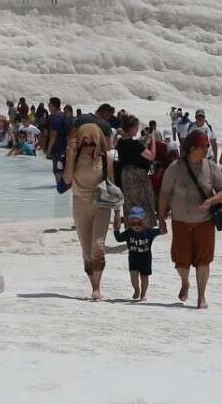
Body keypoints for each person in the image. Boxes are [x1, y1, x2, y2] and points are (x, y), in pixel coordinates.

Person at [159, 130, 222, 307]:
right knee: (181, 261)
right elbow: (164, 193)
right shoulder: (175, 168)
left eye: (206, 146)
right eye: (202, 147)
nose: (205, 150)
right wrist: (161, 218)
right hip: (180, 221)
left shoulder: (211, 167)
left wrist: (211, 201)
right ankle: (185, 282)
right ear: (191, 148)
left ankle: (201, 296)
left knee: (203, 260)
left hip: (204, 221)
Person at [63, 123, 114, 301]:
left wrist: (117, 214)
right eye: (85, 144)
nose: (89, 148)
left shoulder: (106, 157)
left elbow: (112, 185)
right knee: (86, 250)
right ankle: (93, 285)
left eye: (92, 144)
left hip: (101, 206)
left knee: (98, 246)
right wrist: (69, 155)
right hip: (80, 205)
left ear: (99, 141)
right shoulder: (74, 157)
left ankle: (97, 287)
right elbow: (67, 179)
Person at [113, 206, 165, 301]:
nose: (136, 225)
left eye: (139, 223)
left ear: (144, 221)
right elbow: (119, 238)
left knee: (144, 277)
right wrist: (116, 230)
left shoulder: (149, 231)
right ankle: (136, 289)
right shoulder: (128, 232)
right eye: (133, 223)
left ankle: (143, 293)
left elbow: (162, 231)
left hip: (146, 258)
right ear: (129, 223)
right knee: (133, 276)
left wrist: (162, 223)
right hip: (133, 258)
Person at [116, 115, 156, 227]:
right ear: (132, 128)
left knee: (130, 202)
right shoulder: (135, 144)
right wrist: (153, 140)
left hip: (125, 175)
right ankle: (145, 226)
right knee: (143, 201)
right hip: (138, 175)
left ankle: (131, 227)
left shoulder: (120, 142)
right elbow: (151, 156)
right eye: (136, 127)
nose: (138, 129)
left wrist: (145, 141)